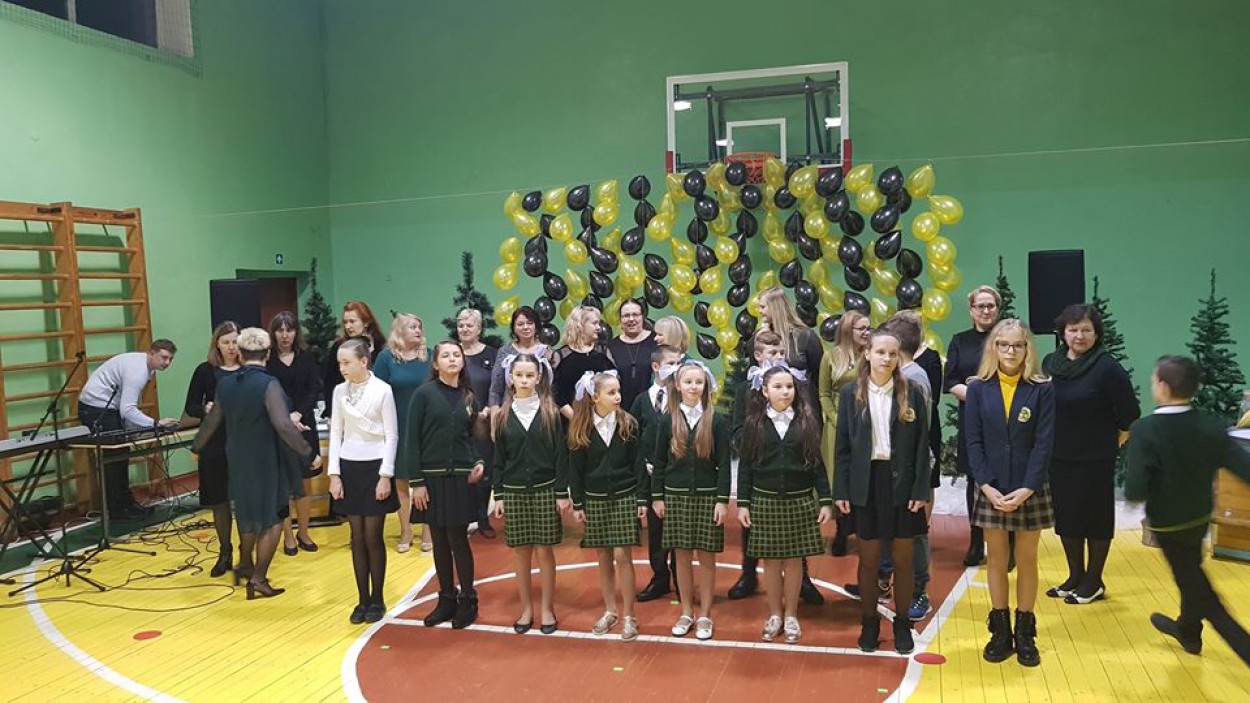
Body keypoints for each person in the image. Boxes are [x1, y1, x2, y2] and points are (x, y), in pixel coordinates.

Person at [1125, 356, 1250, 665]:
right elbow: (1244, 468)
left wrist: (1136, 495)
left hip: (1168, 524)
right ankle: (1189, 631)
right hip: (1200, 517)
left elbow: (1136, 488)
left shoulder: (1145, 429)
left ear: (1163, 387)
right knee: (1190, 574)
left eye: (1154, 379)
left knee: (1203, 594)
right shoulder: (1211, 425)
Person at [192, 328, 314, 600]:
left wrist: (197, 445)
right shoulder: (268, 384)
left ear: (241, 353)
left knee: (246, 514)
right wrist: (307, 452)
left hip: (237, 458)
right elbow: (283, 424)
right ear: (267, 353)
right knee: (273, 518)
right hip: (266, 458)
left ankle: (245, 564)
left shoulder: (226, 384)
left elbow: (212, 421)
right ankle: (258, 578)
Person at [964, 319, 1055, 667]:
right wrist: (986, 486)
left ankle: (1025, 633)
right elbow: (973, 441)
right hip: (991, 487)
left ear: (1027, 348)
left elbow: (1044, 443)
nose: (1011, 351)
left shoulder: (1042, 389)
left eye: (1018, 345)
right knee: (997, 560)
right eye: (1004, 344)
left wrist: (1028, 487)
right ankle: (1000, 631)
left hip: (1029, 487)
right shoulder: (978, 388)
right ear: (994, 347)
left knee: (1027, 560)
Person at [835, 329, 930, 655]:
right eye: (880, 352)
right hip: (867, 484)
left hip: (902, 483)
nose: (887, 358)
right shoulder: (851, 393)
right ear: (867, 353)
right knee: (869, 561)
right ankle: (869, 622)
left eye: (892, 353)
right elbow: (843, 446)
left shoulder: (912, 392)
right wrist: (841, 489)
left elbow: (922, 444)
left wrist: (921, 488)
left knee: (903, 560)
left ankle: (902, 624)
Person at [1042, 304, 1140, 604]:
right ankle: (1075, 576)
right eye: (1073, 329)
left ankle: (1094, 580)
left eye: (1087, 330)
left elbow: (1130, 411)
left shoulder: (1106, 367)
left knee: (1095, 518)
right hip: (1059, 454)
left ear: (1097, 334)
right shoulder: (1051, 364)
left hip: (1095, 457)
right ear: (1062, 333)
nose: (1079, 336)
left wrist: (1118, 437)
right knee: (1067, 516)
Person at [738, 364, 832, 644]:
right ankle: (775, 614)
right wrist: (743, 502)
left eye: (789, 386)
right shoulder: (754, 424)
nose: (785, 392)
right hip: (764, 500)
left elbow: (817, 464)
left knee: (794, 561)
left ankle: (791, 614)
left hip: (799, 501)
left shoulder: (807, 421)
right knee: (770, 561)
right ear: (765, 391)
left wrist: (825, 500)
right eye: (778, 387)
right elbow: (746, 466)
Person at [729, 331, 823, 605]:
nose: (779, 357)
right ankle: (748, 574)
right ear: (758, 356)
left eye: (782, 353)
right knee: (753, 526)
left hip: (790, 467)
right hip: (760, 464)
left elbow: (805, 418)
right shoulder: (745, 389)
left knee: (795, 529)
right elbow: (736, 427)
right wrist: (753, 440)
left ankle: (803, 579)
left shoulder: (794, 385)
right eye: (773, 353)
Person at [407, 341, 485, 629]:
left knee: (458, 539)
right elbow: (412, 440)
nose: (452, 359)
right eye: (445, 355)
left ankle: (468, 599)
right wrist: (417, 482)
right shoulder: (423, 394)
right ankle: (446, 598)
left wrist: (478, 462)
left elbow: (474, 438)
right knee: (439, 540)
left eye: (456, 355)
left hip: (460, 479)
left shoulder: (469, 397)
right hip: (431, 478)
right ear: (435, 363)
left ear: (462, 361)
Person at [652, 360, 731, 641]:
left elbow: (724, 464)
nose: (694, 387)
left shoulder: (717, 421)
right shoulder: (667, 420)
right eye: (688, 382)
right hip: (675, 497)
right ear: (677, 385)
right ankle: (686, 611)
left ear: (705, 385)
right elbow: (659, 463)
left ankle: (706, 614)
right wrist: (657, 497)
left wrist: (722, 500)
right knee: (681, 556)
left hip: (708, 497)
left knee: (706, 557)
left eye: (699, 382)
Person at [490, 352, 569, 635]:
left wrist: (561, 492)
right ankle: (526, 609)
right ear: (511, 378)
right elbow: (499, 459)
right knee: (521, 552)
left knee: (545, 551)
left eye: (529, 375)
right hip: (514, 491)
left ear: (539, 378)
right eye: (519, 375)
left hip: (545, 489)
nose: (524, 380)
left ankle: (547, 608)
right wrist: (498, 493)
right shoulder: (502, 415)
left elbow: (560, 456)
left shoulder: (550, 413)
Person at [567, 370, 645, 642]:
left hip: (624, 495)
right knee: (603, 556)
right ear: (594, 397)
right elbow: (575, 470)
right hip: (595, 498)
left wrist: (641, 498)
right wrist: (578, 502)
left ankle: (629, 616)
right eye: (611, 393)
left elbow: (638, 464)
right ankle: (610, 610)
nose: (617, 396)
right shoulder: (580, 428)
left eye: (618, 391)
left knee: (623, 556)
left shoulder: (628, 423)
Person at [328, 338, 400, 624]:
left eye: (346, 362)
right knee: (355, 537)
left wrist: (386, 476)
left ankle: (378, 598)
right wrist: (334, 475)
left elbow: (391, 435)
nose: (342, 368)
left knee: (373, 536)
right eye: (339, 363)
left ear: (363, 361)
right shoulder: (339, 391)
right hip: (349, 467)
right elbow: (336, 432)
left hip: (375, 467)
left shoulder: (383, 390)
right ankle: (362, 599)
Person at [77, 338, 179, 520]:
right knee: (114, 456)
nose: (167, 363)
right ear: (152, 353)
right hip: (96, 408)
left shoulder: (145, 366)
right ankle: (117, 509)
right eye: (163, 357)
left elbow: (126, 407)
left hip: (107, 408)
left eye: (170, 359)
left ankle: (125, 503)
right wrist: (156, 424)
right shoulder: (138, 371)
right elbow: (128, 409)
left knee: (122, 454)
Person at [943, 285, 1003, 567]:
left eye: (991, 305)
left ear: (998, 309)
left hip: (1005, 420)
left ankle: (1007, 543)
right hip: (973, 419)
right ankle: (976, 542)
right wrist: (977, 395)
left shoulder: (1008, 337)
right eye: (981, 306)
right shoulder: (960, 341)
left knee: (1006, 476)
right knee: (975, 480)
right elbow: (950, 381)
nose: (986, 310)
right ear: (971, 310)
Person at [183, 322, 240, 577]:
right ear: (217, 343)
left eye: (235, 341)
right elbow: (191, 406)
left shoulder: (249, 369)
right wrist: (206, 409)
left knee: (245, 499)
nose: (231, 347)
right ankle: (225, 550)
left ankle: (247, 553)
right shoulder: (205, 371)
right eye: (226, 342)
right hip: (215, 443)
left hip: (242, 441)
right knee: (219, 500)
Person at [629, 345, 684, 602]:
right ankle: (660, 577)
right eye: (671, 363)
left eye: (678, 363)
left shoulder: (683, 399)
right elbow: (631, 437)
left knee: (680, 529)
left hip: (677, 476)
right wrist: (643, 464)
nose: (675, 368)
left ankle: (682, 579)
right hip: (651, 479)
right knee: (656, 530)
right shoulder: (642, 401)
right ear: (656, 366)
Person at [373, 313, 430, 553]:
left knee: (427, 477)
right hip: (396, 424)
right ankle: (406, 530)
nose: (417, 330)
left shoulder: (429, 356)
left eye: (419, 326)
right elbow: (376, 389)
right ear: (399, 331)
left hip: (426, 424)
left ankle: (428, 529)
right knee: (401, 478)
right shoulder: (386, 358)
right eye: (412, 327)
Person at [266, 312, 322, 557]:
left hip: (304, 423)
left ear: (296, 332)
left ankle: (304, 532)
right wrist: (285, 417)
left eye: (289, 330)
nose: (285, 335)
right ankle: (288, 536)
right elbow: (267, 392)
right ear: (273, 333)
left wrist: (298, 414)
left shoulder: (306, 357)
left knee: (305, 482)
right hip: (277, 426)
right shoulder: (268, 360)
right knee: (284, 486)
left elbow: (313, 389)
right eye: (280, 330)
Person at [818, 310, 870, 557]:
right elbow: (823, 393)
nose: (867, 333)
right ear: (848, 331)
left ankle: (861, 527)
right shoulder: (830, 356)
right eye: (862, 329)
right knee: (837, 476)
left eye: (869, 328)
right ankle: (841, 530)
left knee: (860, 473)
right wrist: (834, 417)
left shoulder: (870, 356)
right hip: (836, 423)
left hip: (865, 420)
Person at [456, 308, 500, 539]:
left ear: (479, 328)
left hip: (484, 422)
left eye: (469, 325)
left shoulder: (492, 354)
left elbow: (498, 386)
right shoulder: (452, 354)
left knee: (485, 471)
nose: (464, 329)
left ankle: (483, 519)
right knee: (461, 471)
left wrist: (489, 409)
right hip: (458, 422)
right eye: (461, 325)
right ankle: (462, 518)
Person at [758, 286, 824, 412]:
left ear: (775, 307)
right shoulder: (760, 337)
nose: (760, 311)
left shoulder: (805, 336)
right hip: (771, 411)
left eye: (763, 307)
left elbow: (819, 376)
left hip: (804, 410)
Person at [322, 301, 386, 418]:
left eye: (352, 321)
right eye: (345, 322)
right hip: (347, 407)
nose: (348, 326)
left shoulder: (381, 347)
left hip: (376, 408)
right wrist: (331, 414)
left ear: (366, 322)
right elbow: (330, 382)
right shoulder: (339, 347)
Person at [551, 306, 617, 419]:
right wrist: (574, 418)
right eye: (594, 323)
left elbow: (614, 384)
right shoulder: (561, 355)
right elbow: (555, 391)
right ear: (580, 325)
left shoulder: (603, 353)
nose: (599, 328)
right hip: (570, 420)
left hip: (602, 419)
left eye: (599, 323)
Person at [488, 306, 551, 409]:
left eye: (530, 323)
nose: (525, 327)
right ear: (514, 328)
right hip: (509, 409)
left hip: (540, 409)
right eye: (520, 324)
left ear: (536, 326)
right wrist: (494, 412)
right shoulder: (505, 351)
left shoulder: (546, 351)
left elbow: (551, 387)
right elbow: (496, 389)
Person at [607, 298, 657, 411]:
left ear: (642, 317)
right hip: (620, 410)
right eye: (626, 316)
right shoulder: (612, 346)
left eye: (635, 314)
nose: (631, 319)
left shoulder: (656, 341)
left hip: (652, 409)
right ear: (620, 319)